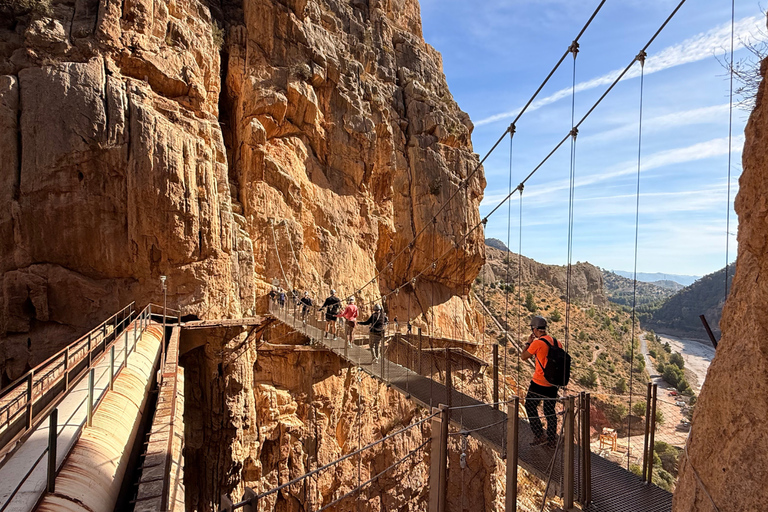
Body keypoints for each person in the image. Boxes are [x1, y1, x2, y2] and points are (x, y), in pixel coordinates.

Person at [520, 315, 563, 448]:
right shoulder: (557, 342)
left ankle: (539, 435)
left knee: (530, 407)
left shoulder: (537, 343)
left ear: (535, 329)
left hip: (539, 383)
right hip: (553, 383)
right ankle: (551, 439)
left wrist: (528, 343)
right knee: (549, 411)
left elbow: (523, 356)